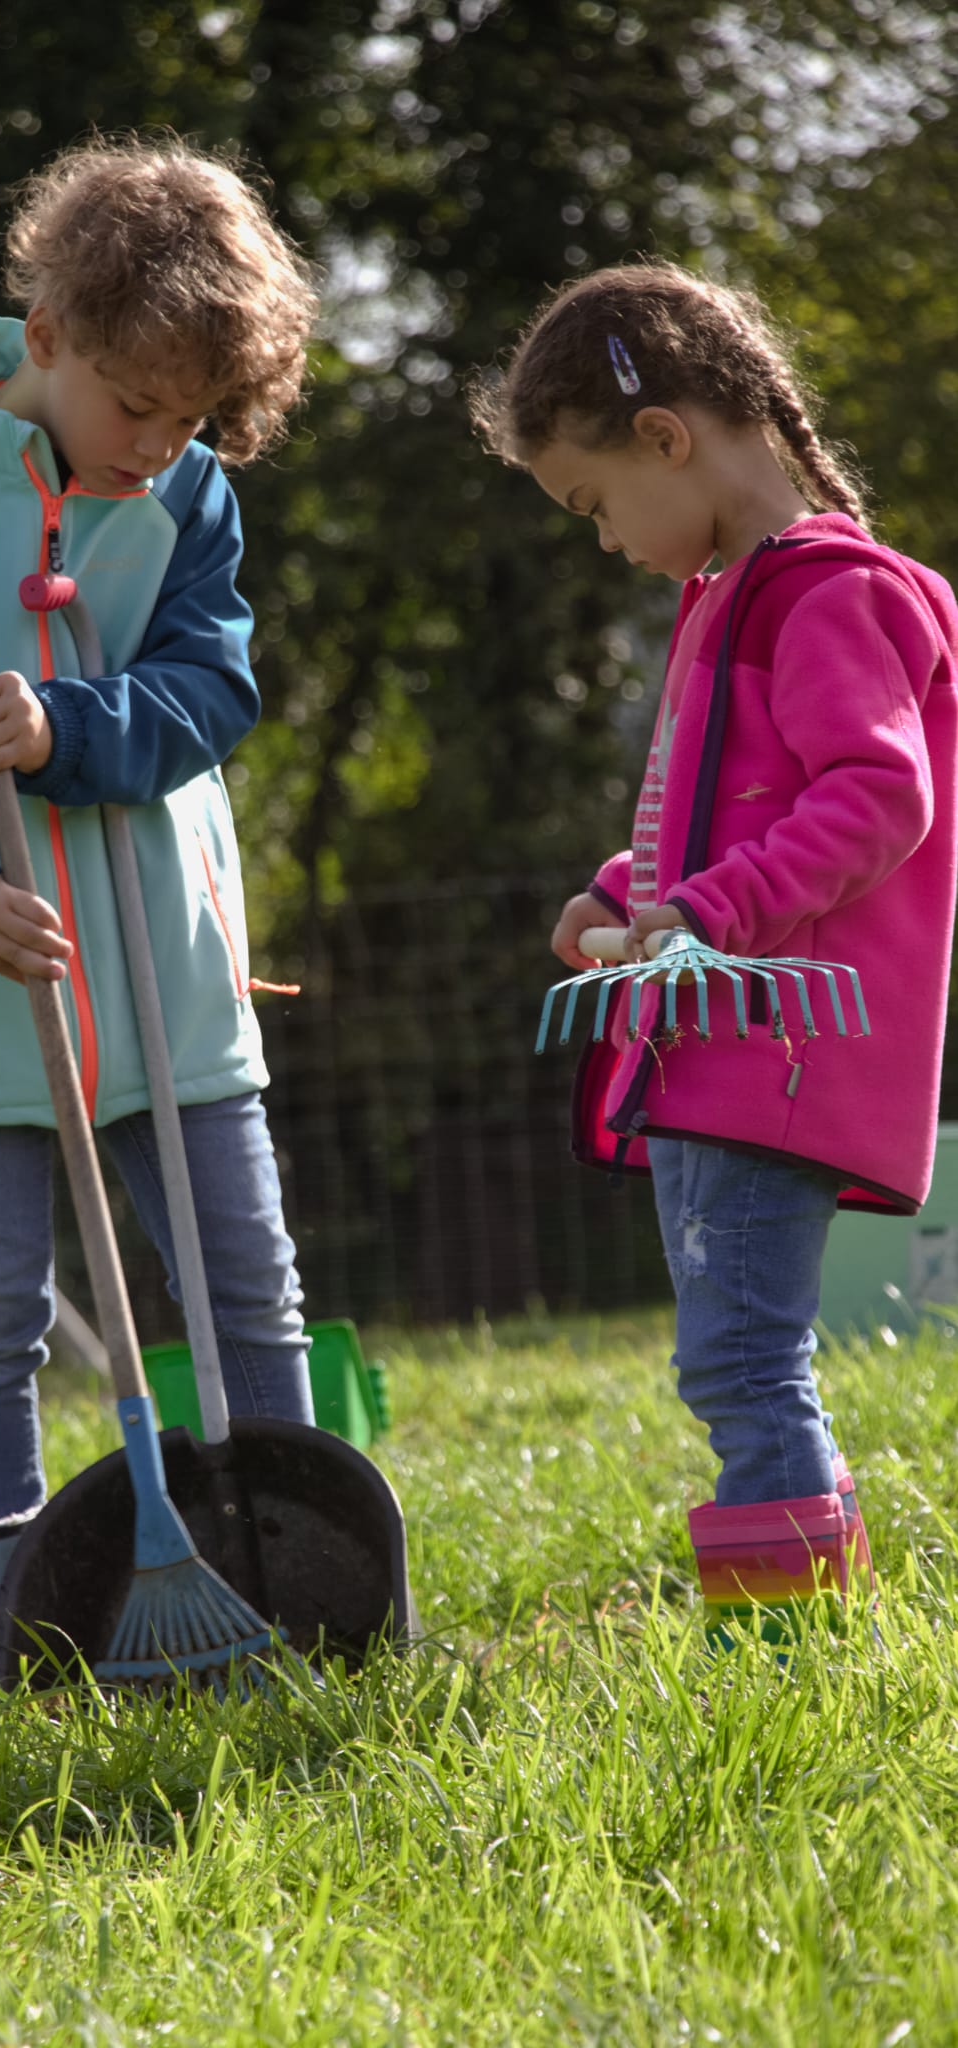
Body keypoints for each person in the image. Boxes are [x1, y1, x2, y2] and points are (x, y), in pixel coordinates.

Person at [0, 136, 320, 1694]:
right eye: (137, 403)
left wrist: (73, 725)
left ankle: (289, 1586)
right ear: (53, 337)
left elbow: (214, 688)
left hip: (164, 964)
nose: (163, 443)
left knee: (242, 1288)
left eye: (196, 416)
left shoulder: (190, 497)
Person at [472, 261, 958, 1644]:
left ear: (663, 438)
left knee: (742, 1361)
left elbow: (874, 798)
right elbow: (714, 816)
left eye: (593, 505)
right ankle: (815, 1619)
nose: (608, 542)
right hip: (715, 1043)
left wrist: (704, 918)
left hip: (775, 1050)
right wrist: (618, 893)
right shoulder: (728, 599)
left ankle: (785, 1647)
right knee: (745, 1360)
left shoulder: (830, 596)